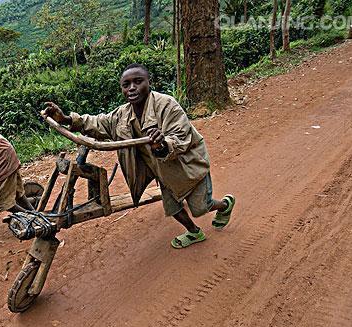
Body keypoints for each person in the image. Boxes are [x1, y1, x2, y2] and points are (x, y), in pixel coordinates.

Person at [43, 64, 235, 249]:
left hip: (186, 166)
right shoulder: (122, 114)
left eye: (138, 81)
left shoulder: (167, 105)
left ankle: (224, 204)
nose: (132, 88)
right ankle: (194, 232)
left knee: (201, 208)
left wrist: (162, 144)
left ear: (148, 82)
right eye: (126, 85)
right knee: (172, 208)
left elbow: (179, 138)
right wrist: (66, 119)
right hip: (162, 171)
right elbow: (99, 123)